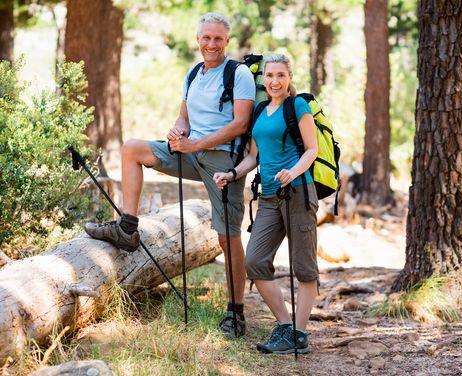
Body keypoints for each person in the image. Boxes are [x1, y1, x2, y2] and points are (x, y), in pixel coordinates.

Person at [84, 12, 256, 337]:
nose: (211, 44)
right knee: (132, 149)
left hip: (223, 161)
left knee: (227, 236)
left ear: (227, 41)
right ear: (198, 39)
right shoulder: (193, 74)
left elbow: (240, 123)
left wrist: (194, 145)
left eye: (218, 38)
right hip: (190, 152)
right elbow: (184, 119)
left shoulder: (239, 74)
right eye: (206, 37)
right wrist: (178, 133)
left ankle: (236, 312)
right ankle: (128, 228)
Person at [213, 54, 319, 354]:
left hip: (298, 192)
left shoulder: (298, 106)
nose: (274, 81)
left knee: (304, 267)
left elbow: (312, 149)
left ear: (289, 77)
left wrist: (293, 171)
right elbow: (254, 156)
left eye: (281, 75)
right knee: (255, 261)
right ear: (265, 79)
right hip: (270, 197)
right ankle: (285, 326)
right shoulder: (260, 110)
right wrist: (233, 173)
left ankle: (299, 334)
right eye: (270, 75)